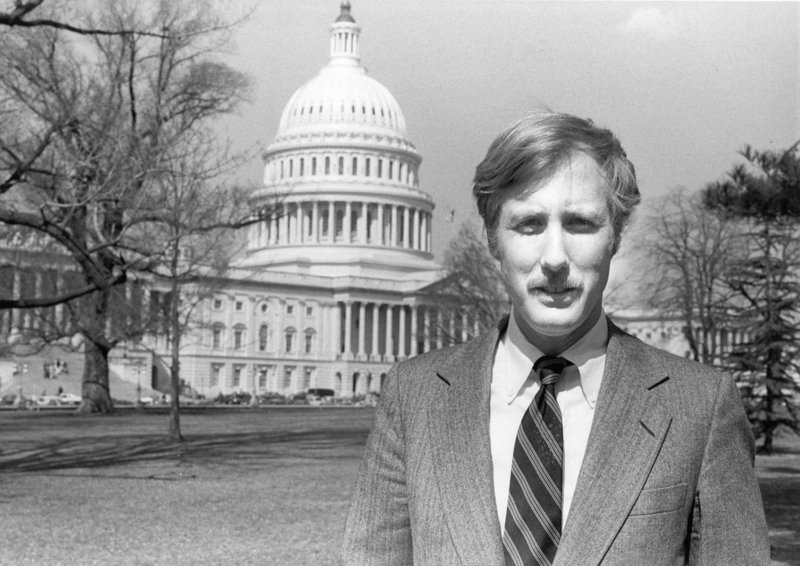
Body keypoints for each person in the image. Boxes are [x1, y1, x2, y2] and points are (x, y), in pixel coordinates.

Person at [341, 110, 770, 565]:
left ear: (615, 237)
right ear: (493, 240)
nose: (554, 257)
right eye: (528, 224)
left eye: (580, 223)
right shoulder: (414, 397)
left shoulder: (700, 406)